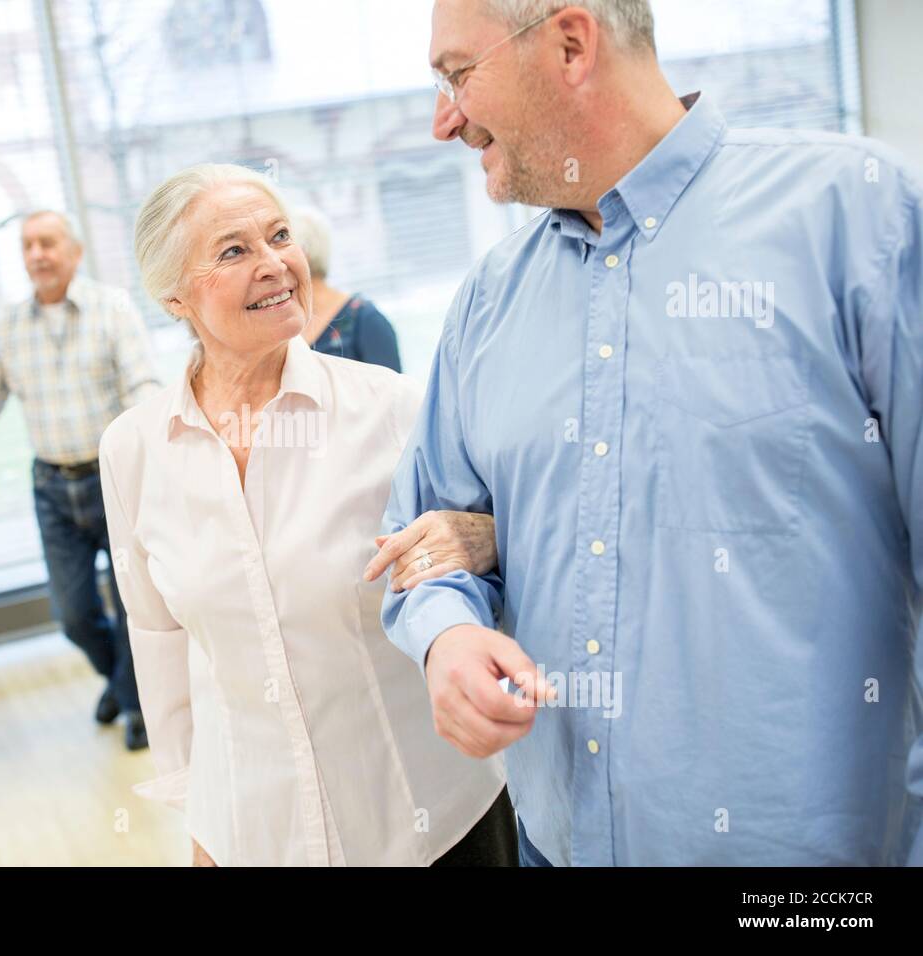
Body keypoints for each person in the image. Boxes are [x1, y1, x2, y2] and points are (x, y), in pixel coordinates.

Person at [380, 0, 923, 866]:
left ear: (569, 42)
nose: (445, 119)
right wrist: (447, 635)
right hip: (556, 847)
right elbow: (419, 539)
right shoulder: (489, 299)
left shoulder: (856, 219)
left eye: (457, 75)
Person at [99, 163, 511, 866]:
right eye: (234, 250)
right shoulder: (134, 448)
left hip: (435, 823)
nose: (275, 265)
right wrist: (205, 829)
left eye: (279, 236)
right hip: (261, 837)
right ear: (173, 295)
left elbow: (493, 561)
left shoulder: (391, 409)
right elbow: (160, 641)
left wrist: (489, 539)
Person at [0, 210, 159, 751]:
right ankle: (121, 682)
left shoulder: (112, 309)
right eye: (28, 245)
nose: (37, 254)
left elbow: (142, 387)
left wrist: (155, 458)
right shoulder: (11, 326)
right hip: (53, 486)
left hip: (114, 479)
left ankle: (134, 704)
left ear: (74, 252)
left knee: (133, 601)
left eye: (47, 242)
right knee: (73, 611)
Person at [292, 205, 403, 371]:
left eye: (282, 241)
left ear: (303, 252)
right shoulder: (286, 327)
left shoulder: (365, 319)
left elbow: (395, 392)